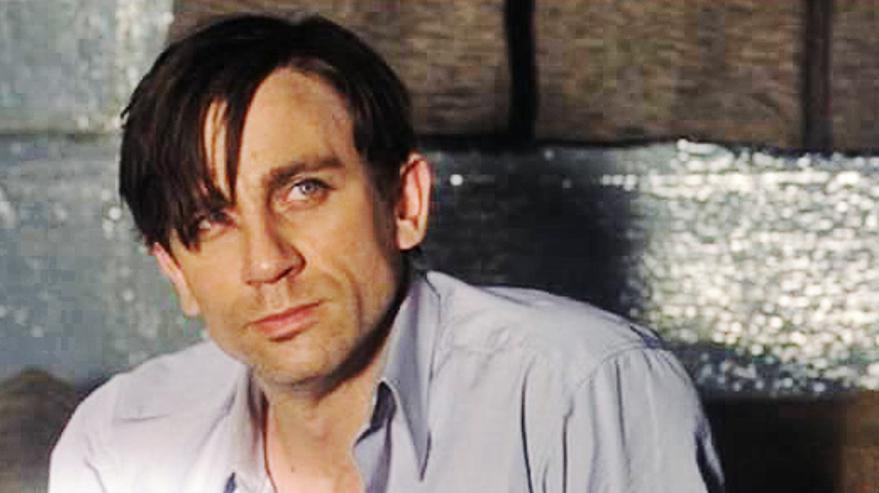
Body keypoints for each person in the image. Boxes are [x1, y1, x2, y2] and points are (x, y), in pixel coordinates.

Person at [49, 13, 724, 493]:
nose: (266, 262)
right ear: (175, 271)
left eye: (303, 190)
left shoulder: (582, 390)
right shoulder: (119, 443)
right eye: (210, 220)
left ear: (404, 202)